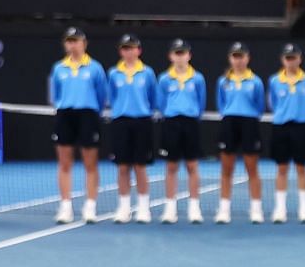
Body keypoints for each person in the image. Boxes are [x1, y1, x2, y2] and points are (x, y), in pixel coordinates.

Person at [48, 28, 109, 224]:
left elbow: (102, 96)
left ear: (84, 43)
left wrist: (92, 110)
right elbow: (56, 95)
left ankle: (90, 207)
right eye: (69, 41)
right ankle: (66, 207)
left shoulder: (95, 68)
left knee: (90, 163)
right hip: (65, 114)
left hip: (88, 114)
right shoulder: (58, 68)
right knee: (64, 162)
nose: (72, 45)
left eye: (76, 41)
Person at [106, 35, 158, 224]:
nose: (129, 52)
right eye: (125, 48)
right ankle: (124, 208)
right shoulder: (113, 73)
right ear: (121, 51)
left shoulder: (147, 73)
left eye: (132, 48)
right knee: (122, 167)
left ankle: (143, 208)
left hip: (142, 121)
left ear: (139, 50)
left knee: (140, 166)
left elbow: (152, 98)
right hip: (120, 122)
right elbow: (111, 97)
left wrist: (143, 111)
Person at [215, 42, 268, 224]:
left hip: (249, 123)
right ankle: (223, 210)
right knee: (226, 169)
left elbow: (260, 106)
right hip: (229, 122)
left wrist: (248, 115)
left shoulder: (256, 81)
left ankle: (255, 210)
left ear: (247, 58)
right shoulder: (223, 81)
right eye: (235, 56)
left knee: (251, 169)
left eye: (241, 56)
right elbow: (221, 104)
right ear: (230, 59)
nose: (238, 60)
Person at [156, 39, 207, 224]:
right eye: (176, 53)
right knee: (171, 167)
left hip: (191, 123)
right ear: (171, 56)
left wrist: (192, 115)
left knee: (192, 166)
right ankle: (170, 209)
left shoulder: (198, 78)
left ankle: (194, 208)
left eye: (183, 53)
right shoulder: (164, 79)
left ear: (189, 55)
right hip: (171, 123)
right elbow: (161, 103)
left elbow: (201, 103)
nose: (180, 56)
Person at [267, 44, 305, 223]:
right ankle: (280, 209)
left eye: (293, 57)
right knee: (281, 169)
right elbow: (273, 103)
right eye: (288, 58)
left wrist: (301, 116)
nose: (291, 61)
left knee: (302, 168)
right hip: (281, 127)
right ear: (283, 60)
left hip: (301, 127)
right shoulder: (274, 81)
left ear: (299, 59)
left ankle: (304, 209)